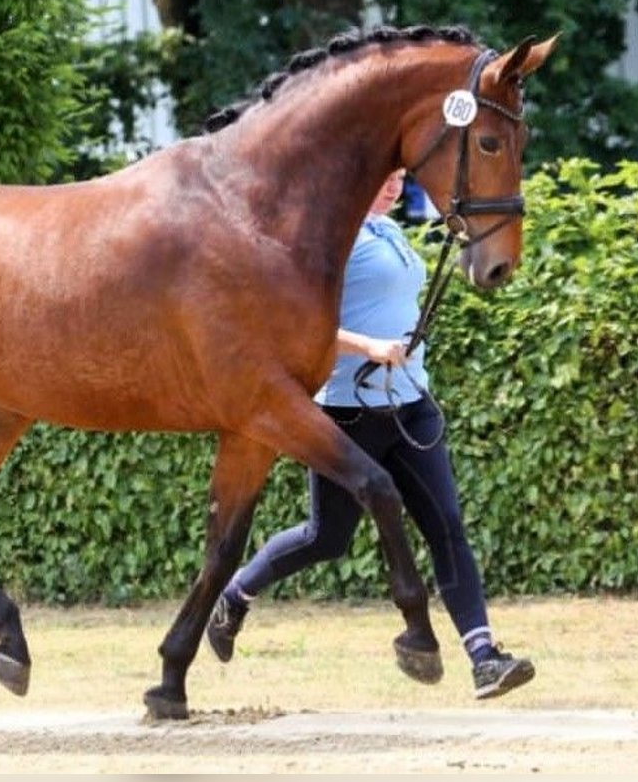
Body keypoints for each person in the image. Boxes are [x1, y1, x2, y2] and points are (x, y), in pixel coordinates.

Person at [207, 168, 534, 700]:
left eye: (400, 178)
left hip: (411, 405)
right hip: (349, 414)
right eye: (384, 177)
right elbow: (298, 324)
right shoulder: (332, 239)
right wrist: (369, 348)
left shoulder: (389, 230)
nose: (392, 186)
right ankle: (236, 594)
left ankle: (484, 658)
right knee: (326, 538)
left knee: (446, 528)